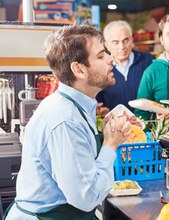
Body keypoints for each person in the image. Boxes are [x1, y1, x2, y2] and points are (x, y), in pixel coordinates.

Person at [5, 25, 131, 219]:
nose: (110, 58)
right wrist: (110, 145)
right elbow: (87, 197)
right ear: (79, 69)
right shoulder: (65, 120)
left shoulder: (77, 106)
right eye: (100, 56)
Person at [96, 20, 155, 113]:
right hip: (115, 125)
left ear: (132, 40)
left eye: (125, 40)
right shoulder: (100, 69)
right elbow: (98, 102)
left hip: (147, 124)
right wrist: (100, 111)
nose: (122, 46)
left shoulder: (149, 61)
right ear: (106, 45)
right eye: (115, 42)